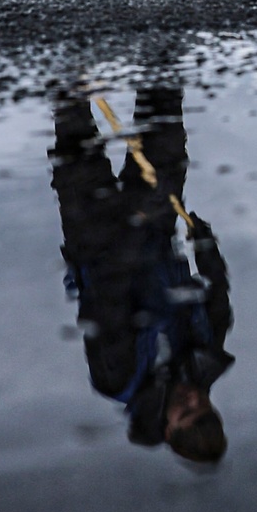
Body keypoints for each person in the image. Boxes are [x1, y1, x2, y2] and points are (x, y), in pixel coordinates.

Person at [50, 83, 233, 462]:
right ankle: (159, 45)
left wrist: (136, 220)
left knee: (74, 126)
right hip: (156, 227)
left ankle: (67, 59)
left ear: (168, 429)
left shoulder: (116, 378)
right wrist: (206, 248)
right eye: (204, 406)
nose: (194, 398)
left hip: (94, 235)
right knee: (165, 125)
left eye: (187, 412)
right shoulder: (205, 359)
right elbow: (218, 298)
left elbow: (109, 295)